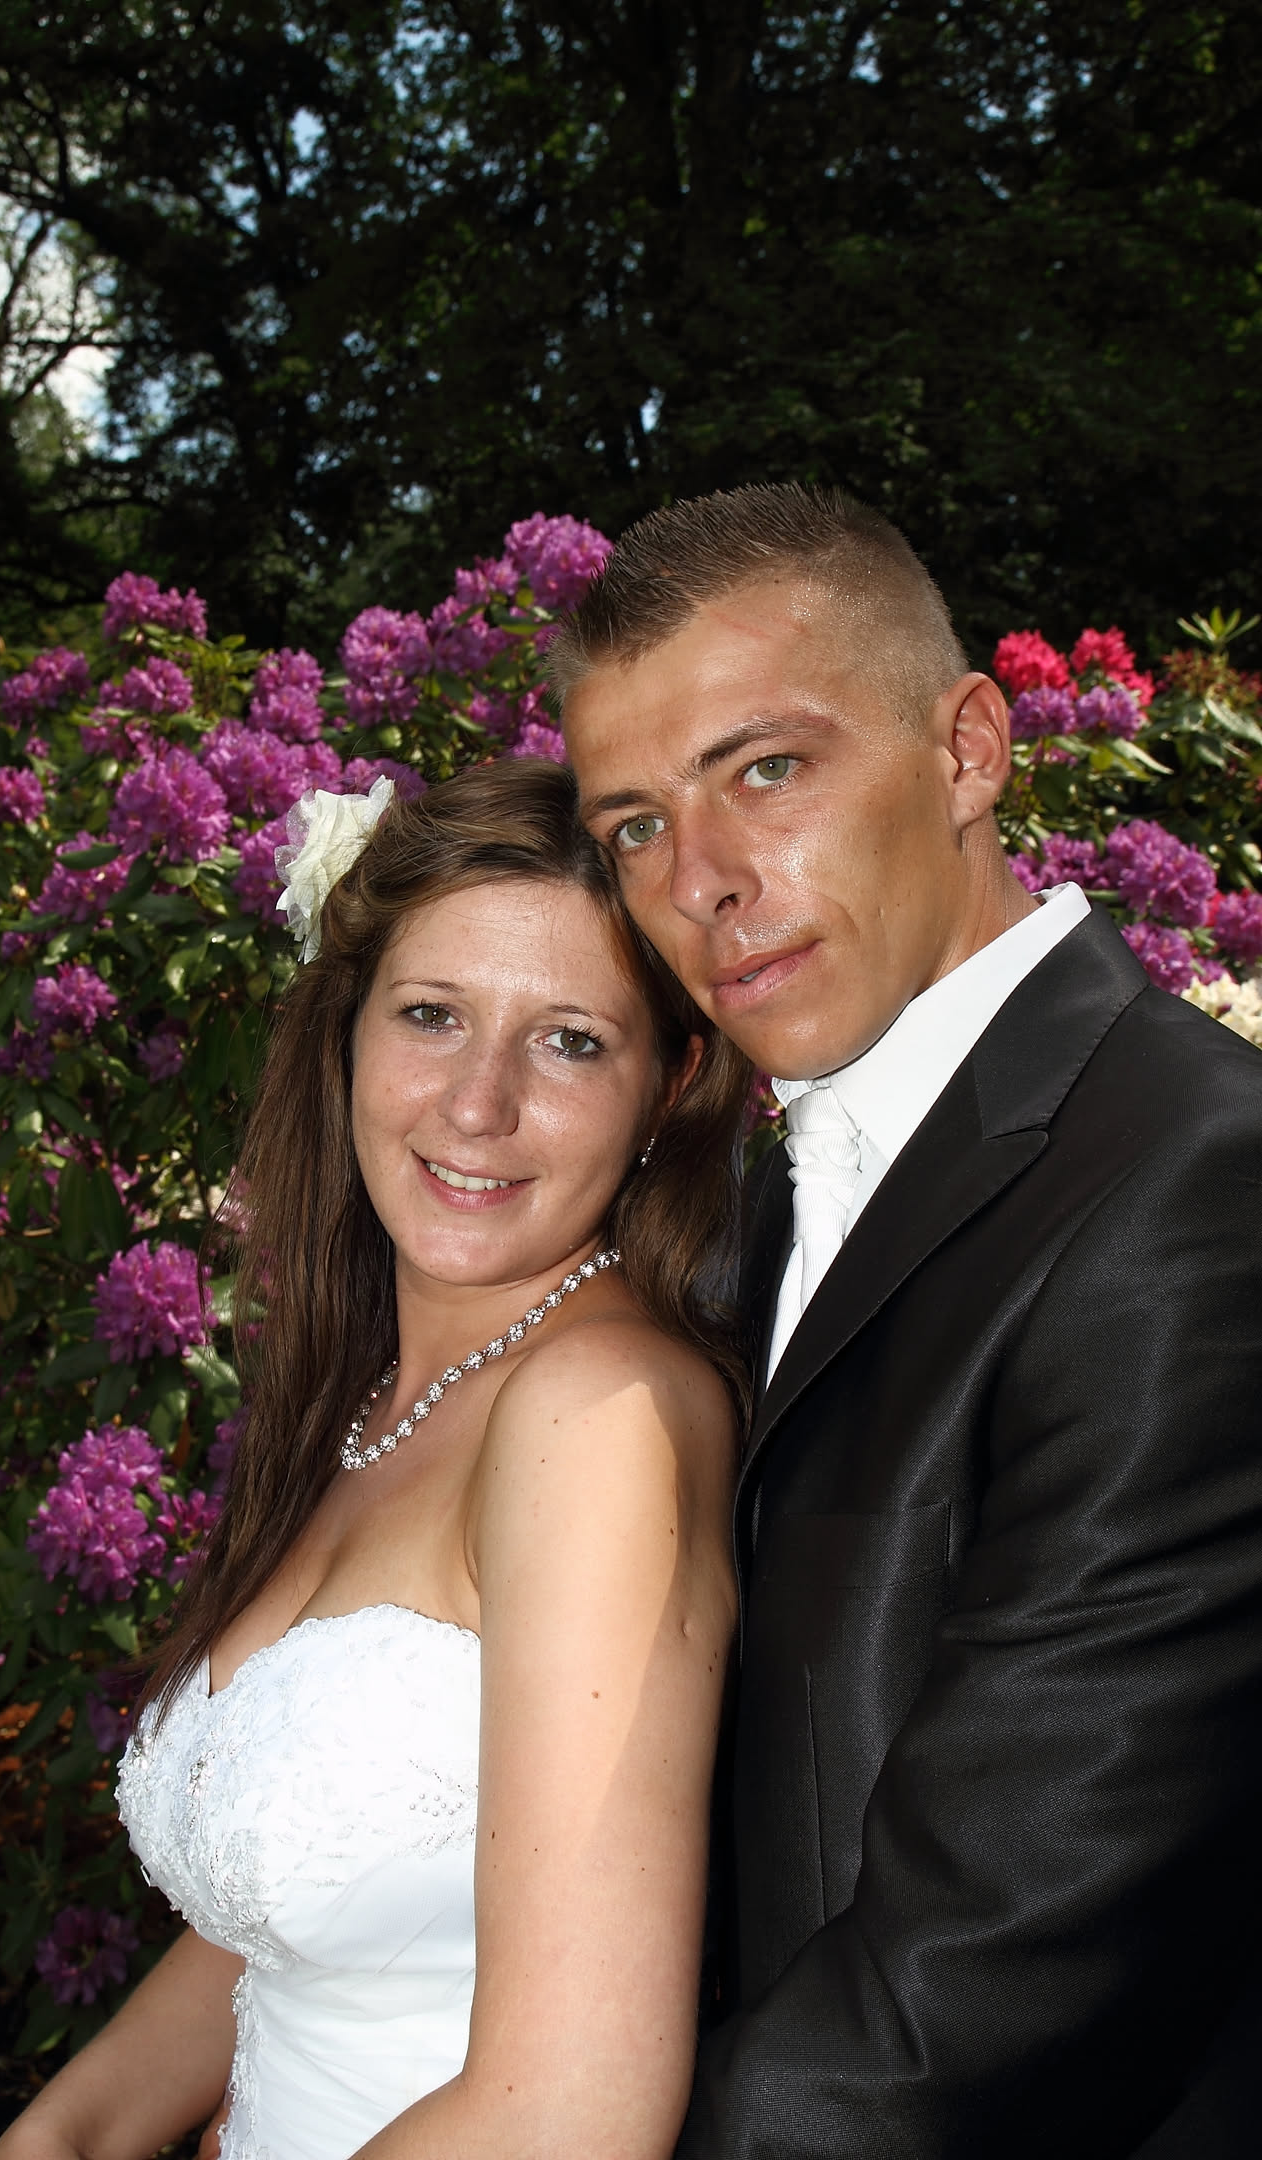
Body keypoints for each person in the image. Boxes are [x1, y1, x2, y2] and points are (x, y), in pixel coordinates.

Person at [555, 482, 1262, 2158]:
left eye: (765, 770)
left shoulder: (1198, 1182)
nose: (702, 881)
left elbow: (1000, 1963)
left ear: (967, 752)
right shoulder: (749, 1203)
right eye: (635, 826)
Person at [0, 759, 754, 2160]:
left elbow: (569, 2115)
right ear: (347, 1032)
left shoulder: (594, 1415)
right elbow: (298, 1924)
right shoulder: (369, 1401)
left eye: (571, 1041)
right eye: (432, 1015)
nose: (477, 1104)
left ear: (670, 1085)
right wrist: (62, 2136)